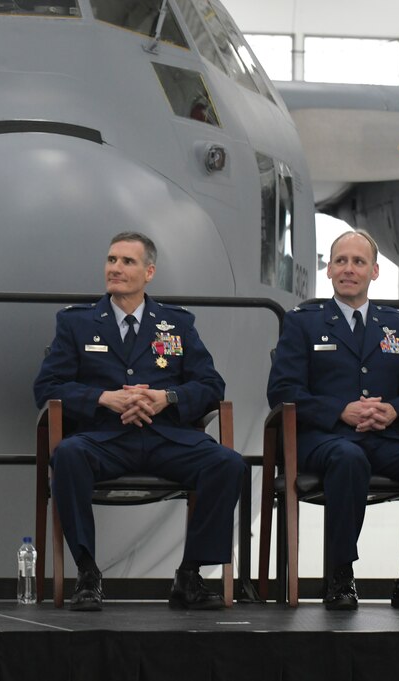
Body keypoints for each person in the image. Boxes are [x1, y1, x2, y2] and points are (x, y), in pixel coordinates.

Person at [34, 232, 245, 611]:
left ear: (149, 272)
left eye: (127, 262)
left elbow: (212, 385)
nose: (115, 268)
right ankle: (87, 573)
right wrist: (104, 398)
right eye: (111, 260)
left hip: (167, 437)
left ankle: (190, 574)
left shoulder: (176, 324)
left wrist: (168, 398)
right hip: (105, 438)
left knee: (227, 464)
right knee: (67, 455)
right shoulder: (76, 324)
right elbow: (46, 387)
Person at [267, 229, 399, 611]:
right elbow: (283, 390)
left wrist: (396, 410)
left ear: (375, 272)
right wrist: (339, 410)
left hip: (385, 437)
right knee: (349, 459)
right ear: (330, 271)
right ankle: (340, 576)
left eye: (358, 262)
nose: (348, 269)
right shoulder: (303, 323)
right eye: (340, 261)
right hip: (323, 439)